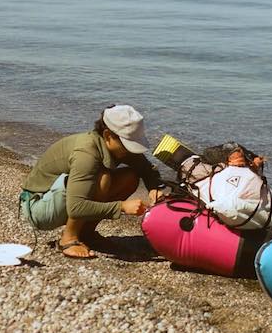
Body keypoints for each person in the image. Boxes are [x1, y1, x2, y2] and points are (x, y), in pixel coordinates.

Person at [20, 104, 164, 259]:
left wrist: (153, 188)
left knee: (129, 178)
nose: (131, 150)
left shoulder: (117, 146)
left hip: (61, 198)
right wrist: (121, 207)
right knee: (103, 179)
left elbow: (146, 169)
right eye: (128, 144)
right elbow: (76, 207)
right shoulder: (87, 153)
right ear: (108, 135)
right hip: (38, 206)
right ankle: (68, 239)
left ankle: (86, 234)